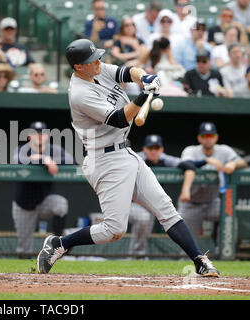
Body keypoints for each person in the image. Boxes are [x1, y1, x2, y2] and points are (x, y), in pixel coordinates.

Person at [36, 38, 220, 277]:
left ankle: (199, 261)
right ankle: (60, 244)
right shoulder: (80, 93)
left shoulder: (98, 70)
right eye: (92, 60)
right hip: (104, 160)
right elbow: (119, 118)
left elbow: (126, 71)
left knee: (166, 209)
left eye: (98, 57)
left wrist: (145, 78)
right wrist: (143, 97)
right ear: (79, 66)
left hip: (125, 152)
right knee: (114, 230)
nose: (99, 62)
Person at [178, 122, 247, 247]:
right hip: (191, 203)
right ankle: (187, 263)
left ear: (216, 137)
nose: (208, 139)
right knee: (186, 244)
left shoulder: (224, 150)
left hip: (212, 202)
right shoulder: (191, 150)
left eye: (211, 135)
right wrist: (206, 161)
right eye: (205, 136)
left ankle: (223, 252)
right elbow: (186, 163)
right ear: (199, 138)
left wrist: (234, 164)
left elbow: (243, 162)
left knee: (229, 217)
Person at [128, 134, 196, 257]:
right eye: (150, 148)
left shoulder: (165, 159)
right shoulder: (136, 159)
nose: (153, 151)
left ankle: (138, 256)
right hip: (130, 203)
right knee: (143, 217)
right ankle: (138, 255)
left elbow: (188, 165)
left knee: (163, 216)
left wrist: (206, 161)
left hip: (150, 204)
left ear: (161, 150)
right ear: (144, 149)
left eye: (156, 148)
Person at [12, 121, 73, 257]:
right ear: (29, 136)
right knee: (24, 250)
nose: (39, 136)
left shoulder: (53, 150)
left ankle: (58, 245)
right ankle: (22, 275)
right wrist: (42, 160)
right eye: (35, 134)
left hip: (44, 201)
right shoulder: (23, 149)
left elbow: (70, 159)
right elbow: (16, 160)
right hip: (24, 205)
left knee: (60, 204)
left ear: (47, 136)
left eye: (42, 134)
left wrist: (48, 159)